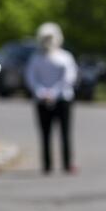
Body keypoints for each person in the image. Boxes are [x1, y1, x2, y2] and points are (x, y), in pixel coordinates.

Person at [25, 22, 78, 175]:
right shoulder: (36, 58)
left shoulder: (65, 57)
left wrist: (54, 92)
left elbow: (69, 77)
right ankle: (47, 165)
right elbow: (31, 77)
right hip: (42, 100)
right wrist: (41, 92)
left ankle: (67, 164)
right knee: (45, 134)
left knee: (65, 133)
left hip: (63, 99)